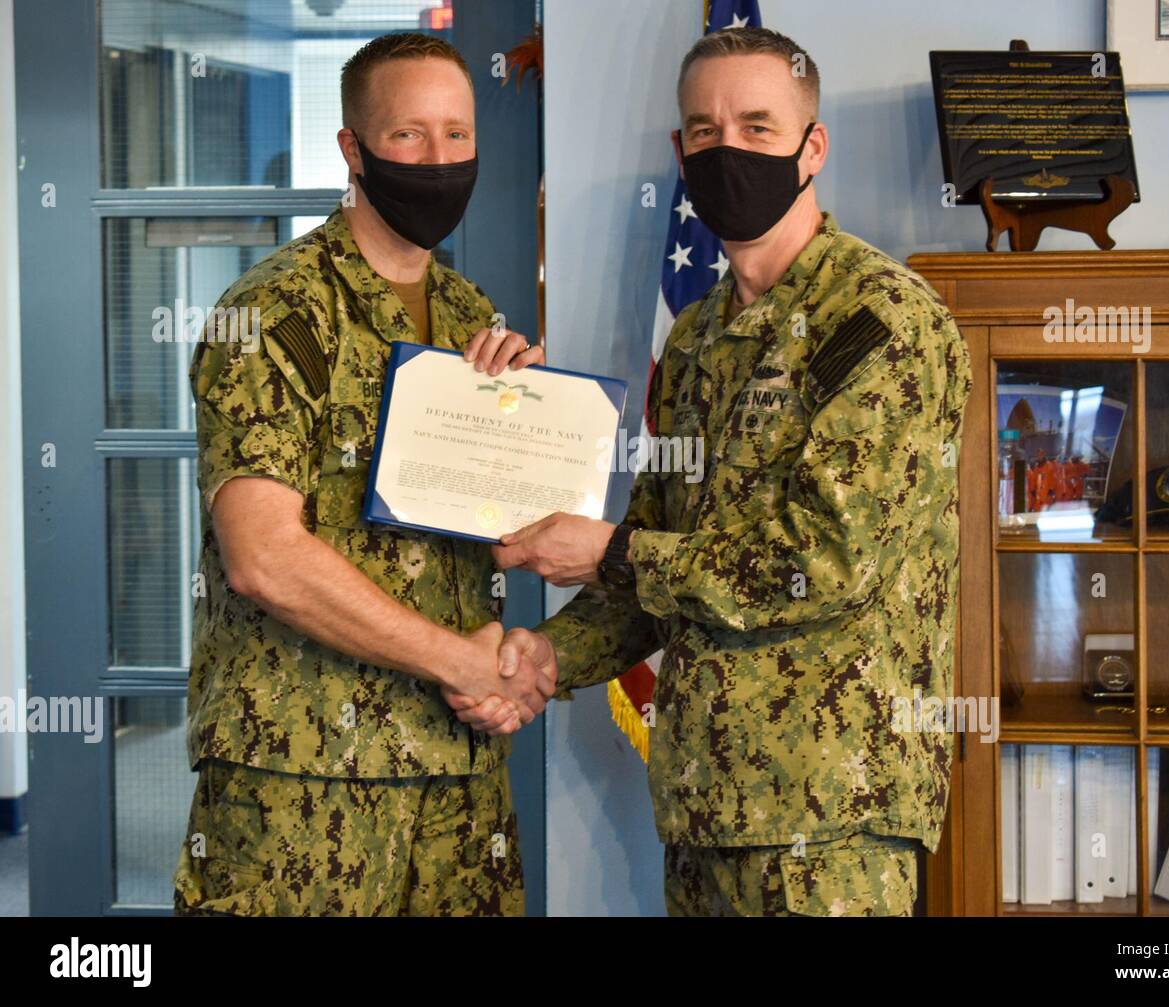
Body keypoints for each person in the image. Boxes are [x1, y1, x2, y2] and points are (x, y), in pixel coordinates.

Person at [451, 26, 974, 917]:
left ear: (813, 146)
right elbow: (655, 564)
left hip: (832, 816)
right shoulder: (694, 339)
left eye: (758, 128)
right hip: (704, 802)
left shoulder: (882, 321)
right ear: (680, 153)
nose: (728, 149)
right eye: (704, 131)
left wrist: (614, 550)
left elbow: (822, 560)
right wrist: (544, 654)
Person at [172, 31, 553, 917]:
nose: (438, 158)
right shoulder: (273, 311)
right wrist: (459, 657)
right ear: (353, 148)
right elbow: (262, 556)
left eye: (456, 135)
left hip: (457, 777)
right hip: (305, 782)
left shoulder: (469, 316)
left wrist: (529, 437)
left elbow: (493, 543)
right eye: (409, 135)